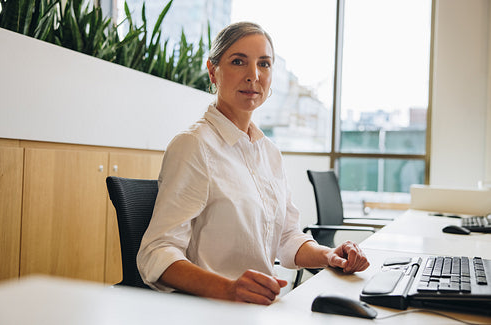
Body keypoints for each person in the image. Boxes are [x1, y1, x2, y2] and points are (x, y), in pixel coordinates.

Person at [137, 21, 369, 305]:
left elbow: (285, 237)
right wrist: (228, 289)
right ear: (213, 71)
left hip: (263, 308)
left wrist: (327, 255)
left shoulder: (269, 152)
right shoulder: (194, 146)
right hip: (212, 309)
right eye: (238, 62)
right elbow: (156, 252)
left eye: (264, 64)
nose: (253, 75)